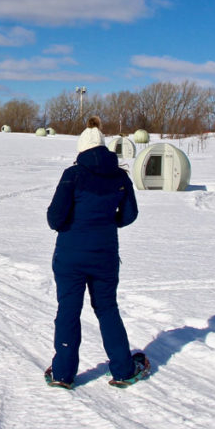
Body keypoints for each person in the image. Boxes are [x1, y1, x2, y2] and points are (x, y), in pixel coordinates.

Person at [44, 116, 148, 389]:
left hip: (70, 256)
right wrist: (106, 223)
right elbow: (129, 214)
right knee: (107, 308)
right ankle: (124, 370)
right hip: (105, 255)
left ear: (81, 149)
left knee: (68, 309)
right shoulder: (120, 176)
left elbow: (55, 218)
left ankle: (63, 374)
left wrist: (74, 225)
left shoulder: (73, 175)